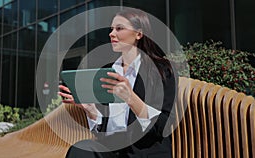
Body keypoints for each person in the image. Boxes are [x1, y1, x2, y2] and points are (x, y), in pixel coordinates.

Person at [58, 8, 176, 158]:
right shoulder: (109, 72)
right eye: (112, 29)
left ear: (139, 33)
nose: (111, 33)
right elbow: (106, 131)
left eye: (119, 28)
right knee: (82, 148)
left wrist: (131, 99)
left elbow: (164, 126)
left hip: (145, 152)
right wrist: (90, 110)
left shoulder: (160, 71)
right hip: (114, 151)